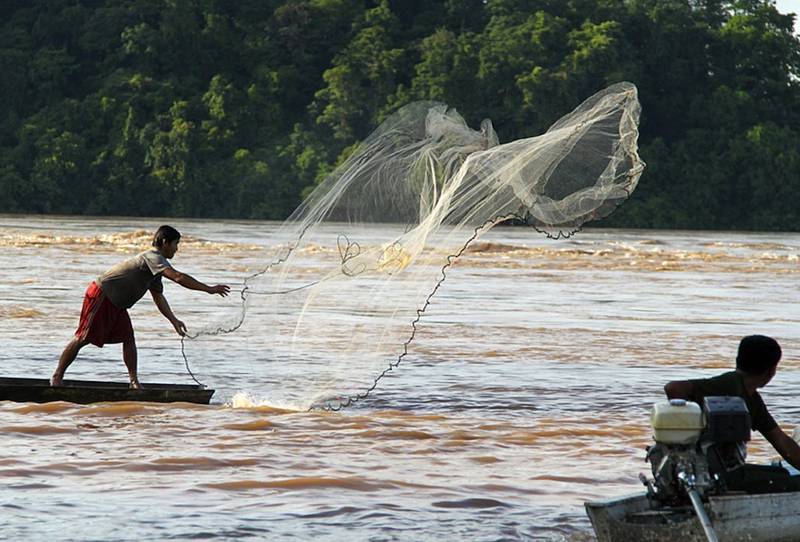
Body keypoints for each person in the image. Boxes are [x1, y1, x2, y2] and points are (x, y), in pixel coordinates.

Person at [51, 225, 230, 388]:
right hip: (102, 294)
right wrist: (209, 289)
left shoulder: (156, 270)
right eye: (176, 244)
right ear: (165, 243)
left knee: (128, 338)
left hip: (118, 304)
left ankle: (134, 382)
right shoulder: (154, 257)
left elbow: (159, 297)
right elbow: (178, 277)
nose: (177, 249)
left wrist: (174, 321)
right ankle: (57, 377)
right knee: (83, 337)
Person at [664, 335, 800, 493]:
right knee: (788, 482)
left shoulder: (752, 400)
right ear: (771, 371)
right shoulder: (728, 384)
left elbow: (781, 440)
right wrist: (696, 429)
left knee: (781, 474)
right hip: (712, 475)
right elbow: (674, 388)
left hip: (728, 471)